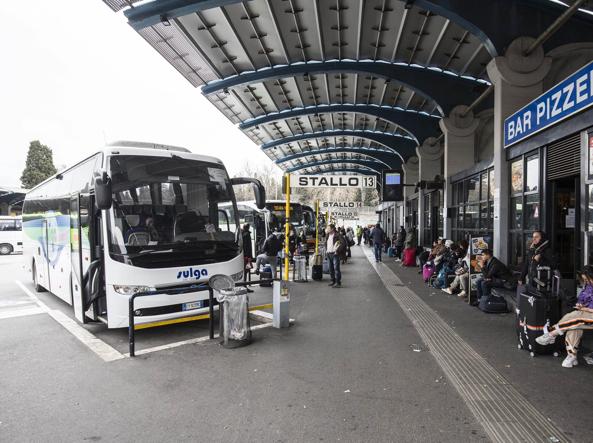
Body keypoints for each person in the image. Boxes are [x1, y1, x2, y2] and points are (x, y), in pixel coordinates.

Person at [536, 265, 593, 368]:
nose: (587, 282)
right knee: (573, 324)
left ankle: (552, 333)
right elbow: (582, 298)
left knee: (576, 318)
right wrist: (580, 304)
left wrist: (584, 309)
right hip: (587, 314)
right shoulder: (588, 286)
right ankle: (572, 355)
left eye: (588, 279)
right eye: (584, 280)